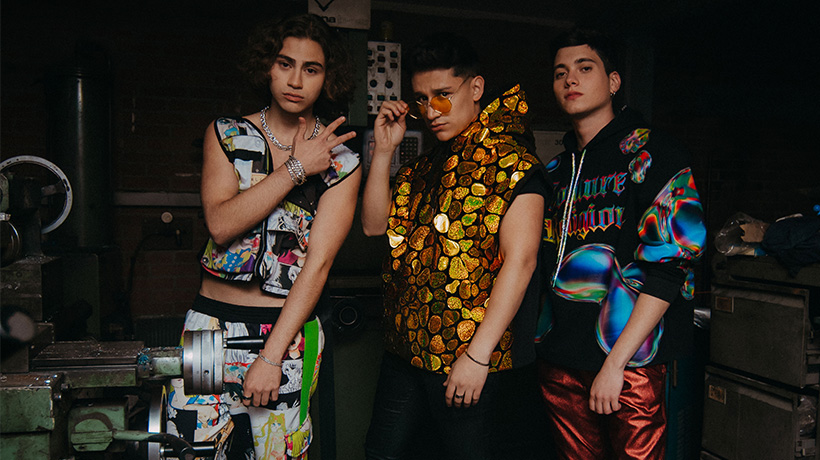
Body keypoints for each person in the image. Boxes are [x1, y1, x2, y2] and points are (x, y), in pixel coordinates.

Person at [166, 14, 361, 460]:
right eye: (284, 63)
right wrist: (296, 168)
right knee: (190, 448)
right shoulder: (227, 134)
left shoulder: (341, 160)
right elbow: (221, 224)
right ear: (267, 66)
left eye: (311, 69)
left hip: (286, 335)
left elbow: (318, 265)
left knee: (279, 453)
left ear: (327, 77)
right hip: (209, 328)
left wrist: (271, 357)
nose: (295, 80)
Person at [361, 32, 548, 460]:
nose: (431, 111)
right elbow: (374, 226)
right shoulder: (423, 168)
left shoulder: (515, 164)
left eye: (443, 96)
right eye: (421, 100)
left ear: (475, 88)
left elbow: (521, 262)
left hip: (471, 358)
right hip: (405, 350)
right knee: (381, 452)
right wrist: (384, 151)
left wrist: (478, 357)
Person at [535, 28, 707, 459]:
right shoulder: (555, 171)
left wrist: (615, 364)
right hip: (560, 358)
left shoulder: (654, 153)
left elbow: (672, 265)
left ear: (613, 81)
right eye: (560, 72)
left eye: (584, 68)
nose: (570, 79)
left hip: (630, 362)